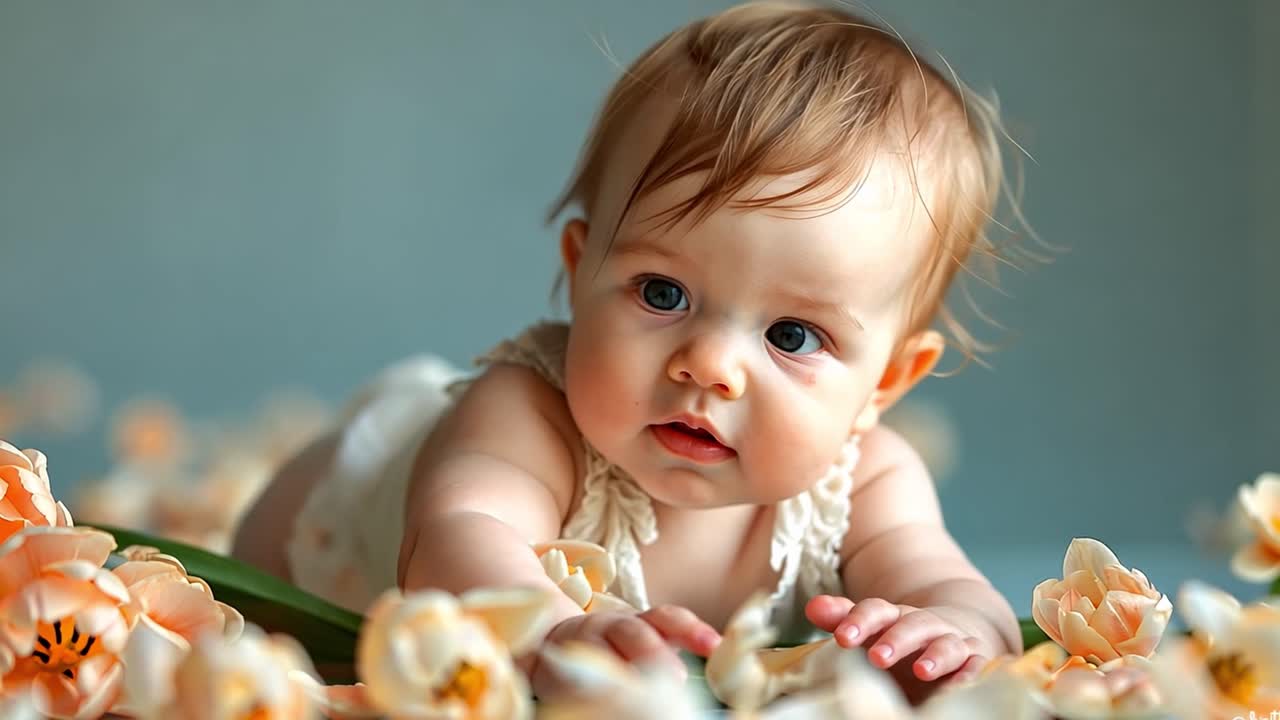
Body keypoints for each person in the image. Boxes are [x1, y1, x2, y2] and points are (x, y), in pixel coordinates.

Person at [233, 0, 1028, 702]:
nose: (709, 364)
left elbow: (948, 584)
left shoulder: (871, 481)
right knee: (263, 618)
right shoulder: (527, 418)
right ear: (581, 275)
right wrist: (545, 629)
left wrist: (954, 632)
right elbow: (457, 533)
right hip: (328, 542)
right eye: (662, 293)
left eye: (792, 336)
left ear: (885, 380)